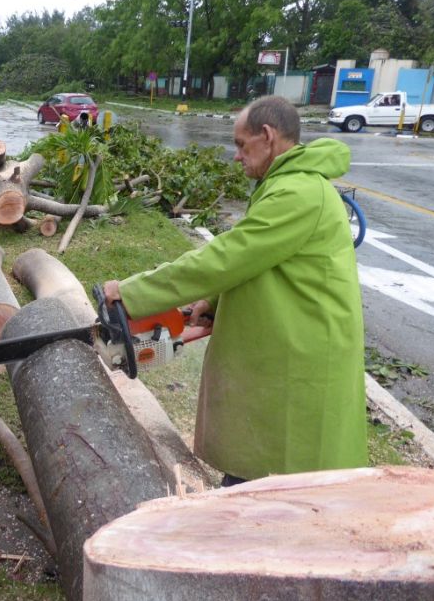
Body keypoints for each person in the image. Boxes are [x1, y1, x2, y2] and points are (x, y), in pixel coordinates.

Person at [104, 95, 367, 486]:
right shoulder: (286, 184)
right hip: (292, 339)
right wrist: (212, 302)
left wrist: (132, 293)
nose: (236, 156)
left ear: (268, 136)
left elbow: (225, 258)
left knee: (280, 479)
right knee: (267, 466)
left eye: (242, 145)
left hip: (304, 350)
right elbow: (262, 262)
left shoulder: (297, 193)